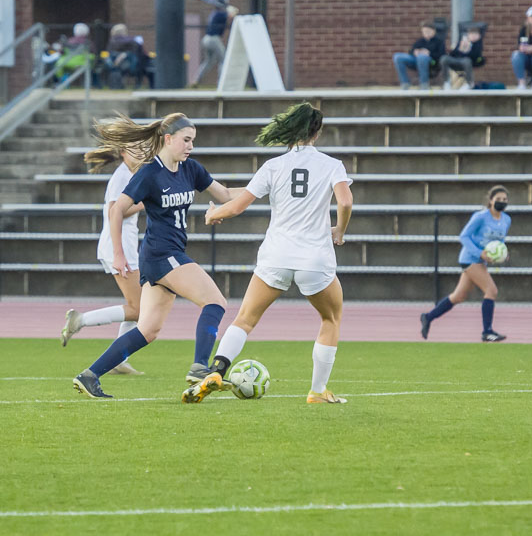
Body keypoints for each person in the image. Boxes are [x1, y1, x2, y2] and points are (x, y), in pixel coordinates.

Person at [185, 102, 354, 405]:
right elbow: (345, 202)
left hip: (275, 255)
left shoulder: (273, 166)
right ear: (316, 132)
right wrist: (339, 231)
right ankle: (317, 391)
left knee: (246, 319)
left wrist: (213, 215)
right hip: (314, 258)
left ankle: (218, 369)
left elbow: (237, 205)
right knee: (331, 319)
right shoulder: (331, 165)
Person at [71, 113, 243, 400]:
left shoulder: (191, 169)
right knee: (215, 302)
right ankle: (200, 367)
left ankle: (89, 376)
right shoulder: (150, 172)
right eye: (186, 140)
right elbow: (116, 209)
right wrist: (118, 253)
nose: (191, 146)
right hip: (162, 255)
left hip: (164, 256)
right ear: (168, 139)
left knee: (148, 330)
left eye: (193, 141)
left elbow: (225, 194)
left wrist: (264, 191)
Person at [59, 148, 146, 375]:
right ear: (124, 152)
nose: (141, 153)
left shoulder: (130, 174)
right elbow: (113, 212)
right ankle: (80, 320)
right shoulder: (122, 176)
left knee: (138, 305)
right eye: (136, 149)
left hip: (124, 246)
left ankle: (119, 357)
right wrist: (146, 203)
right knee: (139, 309)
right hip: (120, 248)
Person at [419, 185, 510, 342]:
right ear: (491, 200)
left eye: (505, 200)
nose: (502, 202)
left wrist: (503, 253)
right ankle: (487, 332)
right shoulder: (480, 217)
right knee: (491, 290)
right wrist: (479, 252)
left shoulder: (506, 220)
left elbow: (499, 241)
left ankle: (428, 317)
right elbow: (464, 236)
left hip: (481, 261)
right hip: (469, 258)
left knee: (458, 296)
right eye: (498, 199)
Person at [194, 0, 238, 86]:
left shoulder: (215, 13)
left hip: (206, 39)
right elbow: (233, 14)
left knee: (209, 61)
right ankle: (221, 82)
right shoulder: (220, 14)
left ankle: (196, 80)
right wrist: (231, 9)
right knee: (224, 60)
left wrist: (229, 9)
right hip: (213, 39)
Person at [393, 21, 445, 90]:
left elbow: (442, 55)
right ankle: (405, 83)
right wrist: (415, 52)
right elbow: (411, 51)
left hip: (432, 62)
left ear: (434, 31)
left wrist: (429, 53)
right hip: (416, 61)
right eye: (424, 31)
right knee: (397, 57)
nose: (426, 33)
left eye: (428, 31)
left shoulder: (439, 42)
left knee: (422, 57)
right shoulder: (420, 41)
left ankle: (424, 84)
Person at [103, 24, 144, 88]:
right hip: (128, 63)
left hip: (115, 63)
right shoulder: (132, 40)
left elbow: (107, 53)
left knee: (114, 68)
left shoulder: (112, 41)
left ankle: (117, 84)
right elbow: (138, 51)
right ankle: (135, 83)